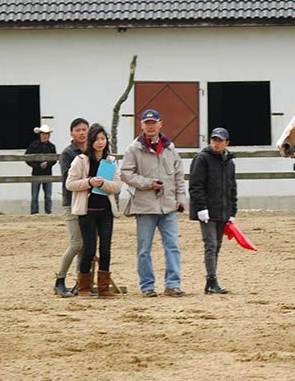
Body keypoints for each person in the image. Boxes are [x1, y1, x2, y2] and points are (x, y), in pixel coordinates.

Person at [121, 109, 188, 298]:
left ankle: (172, 284)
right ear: (141, 125)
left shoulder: (170, 149)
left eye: (153, 122)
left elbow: (178, 177)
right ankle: (147, 286)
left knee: (173, 246)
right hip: (145, 205)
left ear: (160, 124)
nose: (150, 126)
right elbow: (126, 173)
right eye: (147, 123)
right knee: (144, 249)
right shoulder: (133, 149)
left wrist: (181, 200)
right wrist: (147, 183)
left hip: (168, 206)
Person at [66, 124, 122, 299]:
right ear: (91, 141)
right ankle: (84, 286)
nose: (100, 142)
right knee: (89, 249)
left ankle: (104, 287)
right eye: (97, 139)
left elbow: (117, 186)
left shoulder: (111, 162)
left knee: (106, 249)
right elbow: (70, 184)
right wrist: (89, 182)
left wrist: (103, 184)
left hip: (106, 210)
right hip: (87, 210)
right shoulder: (80, 160)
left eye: (103, 139)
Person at [189, 127, 237, 295]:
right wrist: (201, 208)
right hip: (207, 211)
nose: (216, 143)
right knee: (211, 245)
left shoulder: (229, 163)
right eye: (214, 140)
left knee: (217, 246)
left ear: (226, 143)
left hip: (222, 211)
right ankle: (212, 280)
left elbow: (232, 188)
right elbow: (196, 186)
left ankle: (211, 281)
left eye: (220, 140)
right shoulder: (202, 159)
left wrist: (232, 211)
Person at [53, 118, 89, 297]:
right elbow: (70, 180)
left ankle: (80, 283)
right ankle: (59, 280)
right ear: (72, 133)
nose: (82, 133)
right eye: (78, 130)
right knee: (77, 243)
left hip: (91, 202)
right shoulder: (67, 153)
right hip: (72, 203)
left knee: (85, 246)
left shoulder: (94, 150)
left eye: (84, 129)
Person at [25, 124, 57, 215]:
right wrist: (37, 165)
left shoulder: (52, 147)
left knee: (48, 196)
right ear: (40, 135)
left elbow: (54, 159)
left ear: (49, 135)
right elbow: (26, 158)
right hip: (36, 173)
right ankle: (34, 213)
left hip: (47, 173)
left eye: (46, 134)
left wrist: (48, 164)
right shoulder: (34, 145)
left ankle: (48, 213)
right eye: (43, 134)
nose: (45, 136)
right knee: (34, 196)